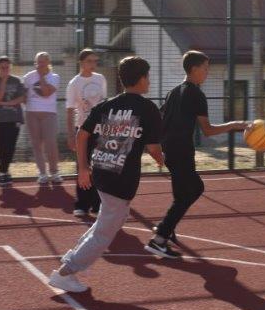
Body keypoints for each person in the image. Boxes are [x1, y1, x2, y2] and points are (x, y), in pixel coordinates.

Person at [48, 56, 164, 293]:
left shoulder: (106, 105)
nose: (149, 81)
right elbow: (154, 149)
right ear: (142, 79)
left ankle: (72, 258)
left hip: (101, 171)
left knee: (111, 220)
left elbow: (82, 135)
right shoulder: (148, 108)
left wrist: (83, 168)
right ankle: (66, 272)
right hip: (120, 179)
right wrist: (163, 160)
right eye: (148, 77)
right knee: (105, 232)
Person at [147, 50, 249, 258]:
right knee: (193, 189)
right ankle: (159, 238)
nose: (207, 72)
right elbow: (208, 130)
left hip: (169, 148)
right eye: (205, 68)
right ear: (194, 69)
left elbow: (160, 117)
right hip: (181, 150)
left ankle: (166, 229)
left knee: (181, 193)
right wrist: (234, 124)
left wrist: (158, 145)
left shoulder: (173, 92)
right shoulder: (197, 94)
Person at [66, 48, 107, 217]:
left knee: (100, 165)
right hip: (83, 129)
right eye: (89, 61)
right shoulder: (74, 83)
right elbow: (70, 110)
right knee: (83, 165)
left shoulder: (100, 79)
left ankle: (97, 204)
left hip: (101, 129)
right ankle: (82, 204)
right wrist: (71, 135)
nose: (93, 64)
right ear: (81, 62)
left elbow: (104, 103)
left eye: (95, 61)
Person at [23, 51, 63, 185]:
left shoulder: (54, 77)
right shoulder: (28, 77)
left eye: (43, 61)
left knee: (51, 143)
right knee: (36, 144)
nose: (40, 64)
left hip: (49, 113)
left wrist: (41, 76)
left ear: (48, 62)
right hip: (31, 113)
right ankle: (42, 173)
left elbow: (46, 93)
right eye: (38, 62)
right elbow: (24, 95)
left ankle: (54, 172)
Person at [0, 56, 26, 186]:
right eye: (2, 68)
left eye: (7, 67)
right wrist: (3, 81)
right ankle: (3, 172)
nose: (5, 70)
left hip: (14, 118)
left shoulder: (17, 80)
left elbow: (22, 98)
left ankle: (4, 171)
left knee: (11, 146)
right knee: (3, 145)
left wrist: (6, 103)